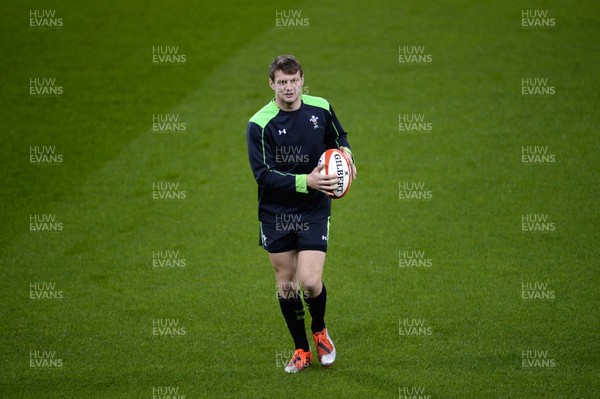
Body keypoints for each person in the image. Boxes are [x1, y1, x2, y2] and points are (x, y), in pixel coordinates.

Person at [247, 55, 356, 373]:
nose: (289, 87)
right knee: (287, 284)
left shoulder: (320, 107)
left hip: (314, 206)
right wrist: (305, 180)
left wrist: (347, 157)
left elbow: (339, 137)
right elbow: (262, 174)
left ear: (302, 80)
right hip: (276, 211)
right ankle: (300, 349)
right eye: (282, 82)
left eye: (293, 81)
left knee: (309, 281)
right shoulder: (259, 124)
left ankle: (320, 330)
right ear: (272, 84)